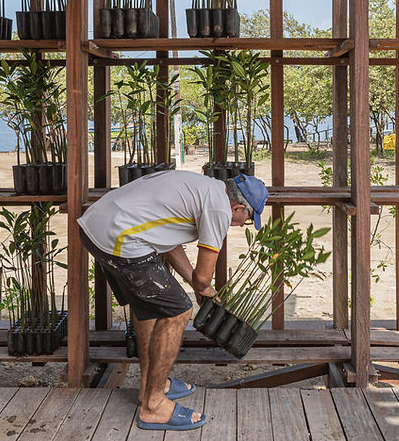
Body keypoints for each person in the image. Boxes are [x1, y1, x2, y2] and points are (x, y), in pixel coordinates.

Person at [78, 170, 268, 432]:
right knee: (179, 311)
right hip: (120, 238)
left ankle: (149, 388)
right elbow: (204, 277)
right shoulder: (219, 209)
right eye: (245, 220)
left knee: (151, 307)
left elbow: (166, 240)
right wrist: (206, 290)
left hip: (96, 227)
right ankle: (154, 406)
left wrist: (195, 283)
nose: (239, 225)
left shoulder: (204, 187)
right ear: (237, 206)